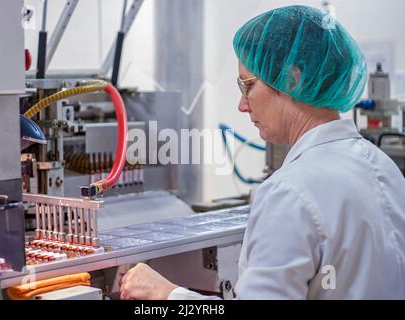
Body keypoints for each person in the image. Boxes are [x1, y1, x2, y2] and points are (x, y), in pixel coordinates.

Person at [120, 5, 405, 300]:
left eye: (248, 86)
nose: (242, 105)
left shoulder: (290, 193)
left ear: (293, 79)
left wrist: (167, 294)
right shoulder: (384, 169)